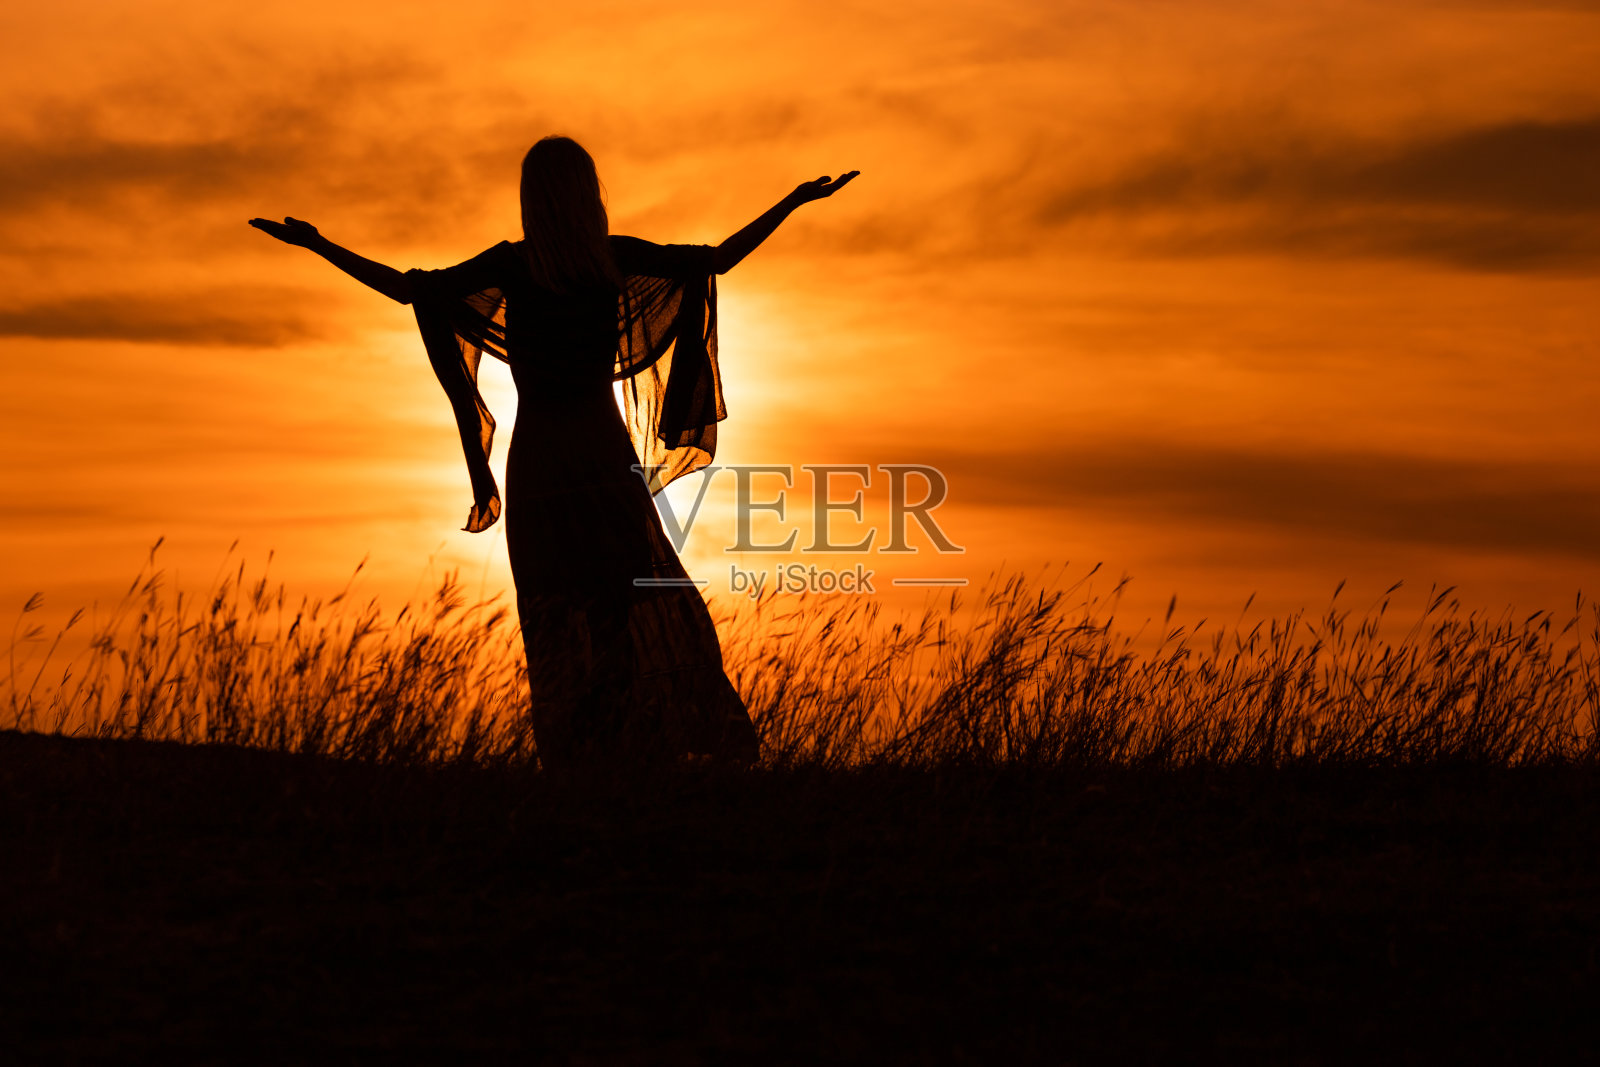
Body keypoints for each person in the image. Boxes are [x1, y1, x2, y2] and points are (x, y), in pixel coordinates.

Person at [250, 136, 858, 768]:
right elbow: (718, 259)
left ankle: (581, 755)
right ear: (587, 194)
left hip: (540, 463)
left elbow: (412, 291)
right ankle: (619, 746)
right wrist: (794, 200)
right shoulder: (610, 261)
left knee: (553, 616)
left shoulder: (515, 266)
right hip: (598, 456)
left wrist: (319, 245)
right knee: (616, 610)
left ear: (530, 198)